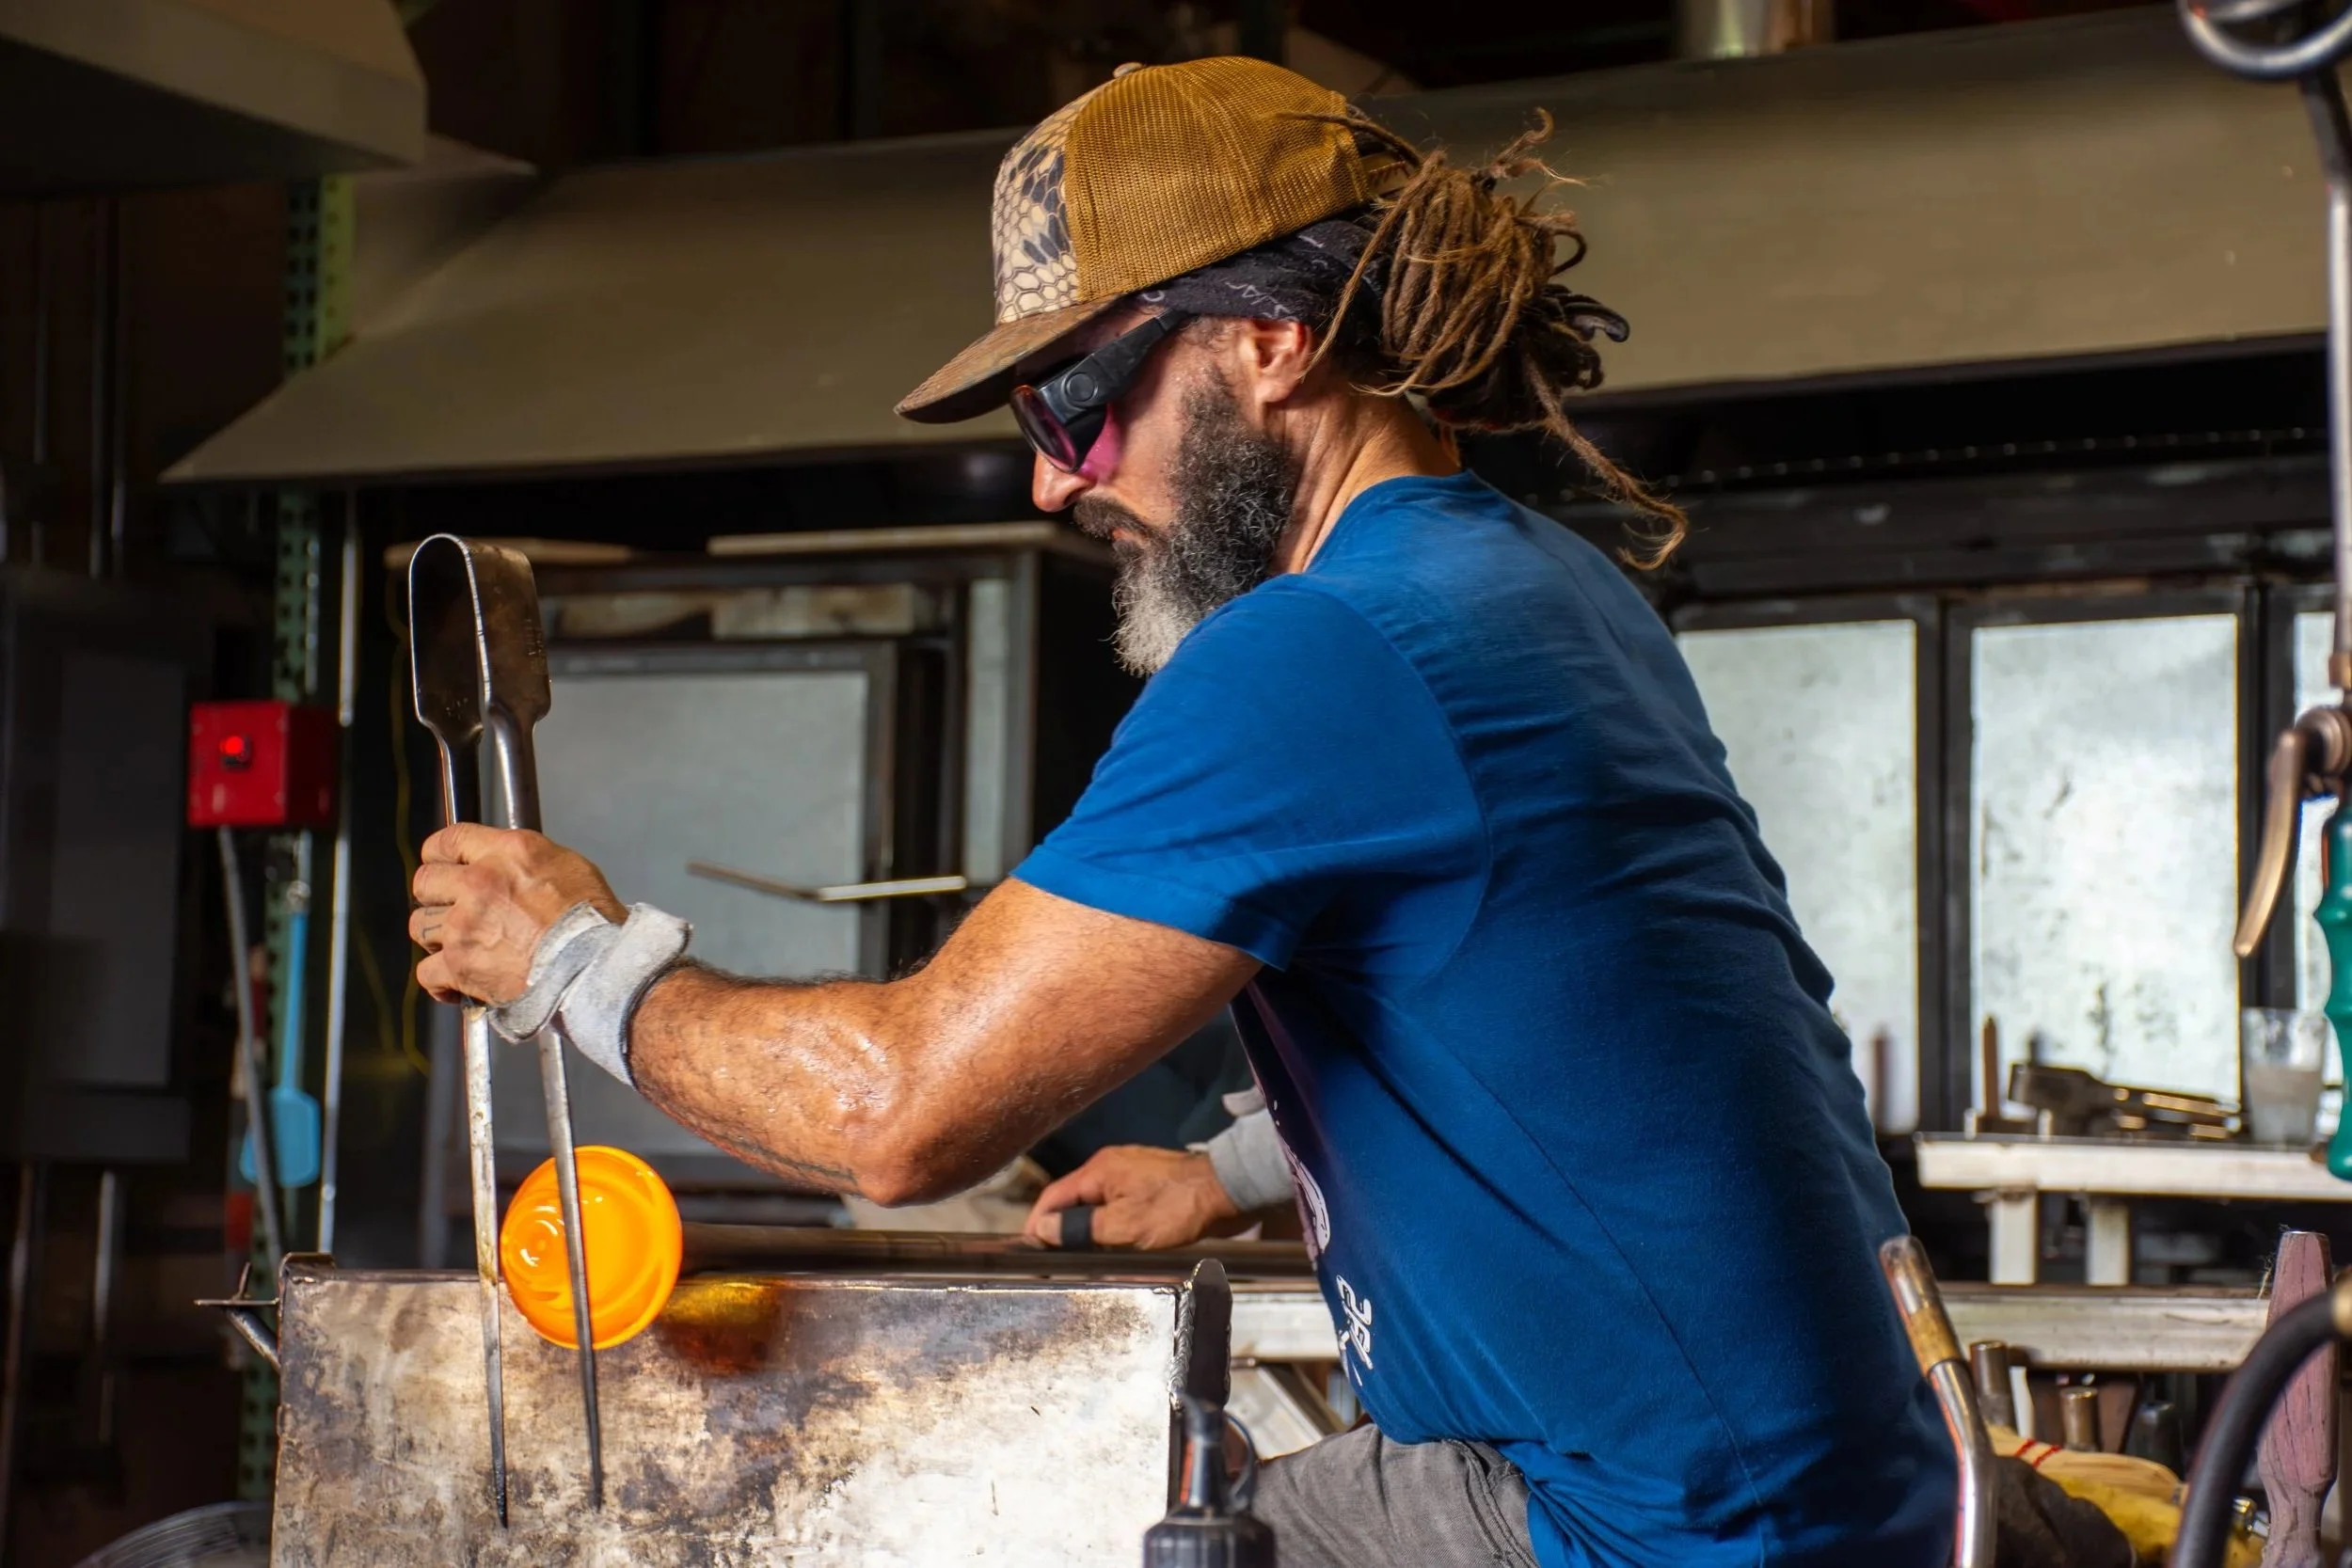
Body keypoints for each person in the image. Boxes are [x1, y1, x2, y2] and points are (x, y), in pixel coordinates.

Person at [408, 55, 1956, 1568]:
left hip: (1632, 1524)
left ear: (1273, 339)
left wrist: (578, 964)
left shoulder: (1324, 647)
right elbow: (1608, 1025)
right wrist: (1230, 1174)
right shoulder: (1542, 585)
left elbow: (894, 1113)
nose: (1050, 481)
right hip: (1824, 1487)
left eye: (1074, 400)